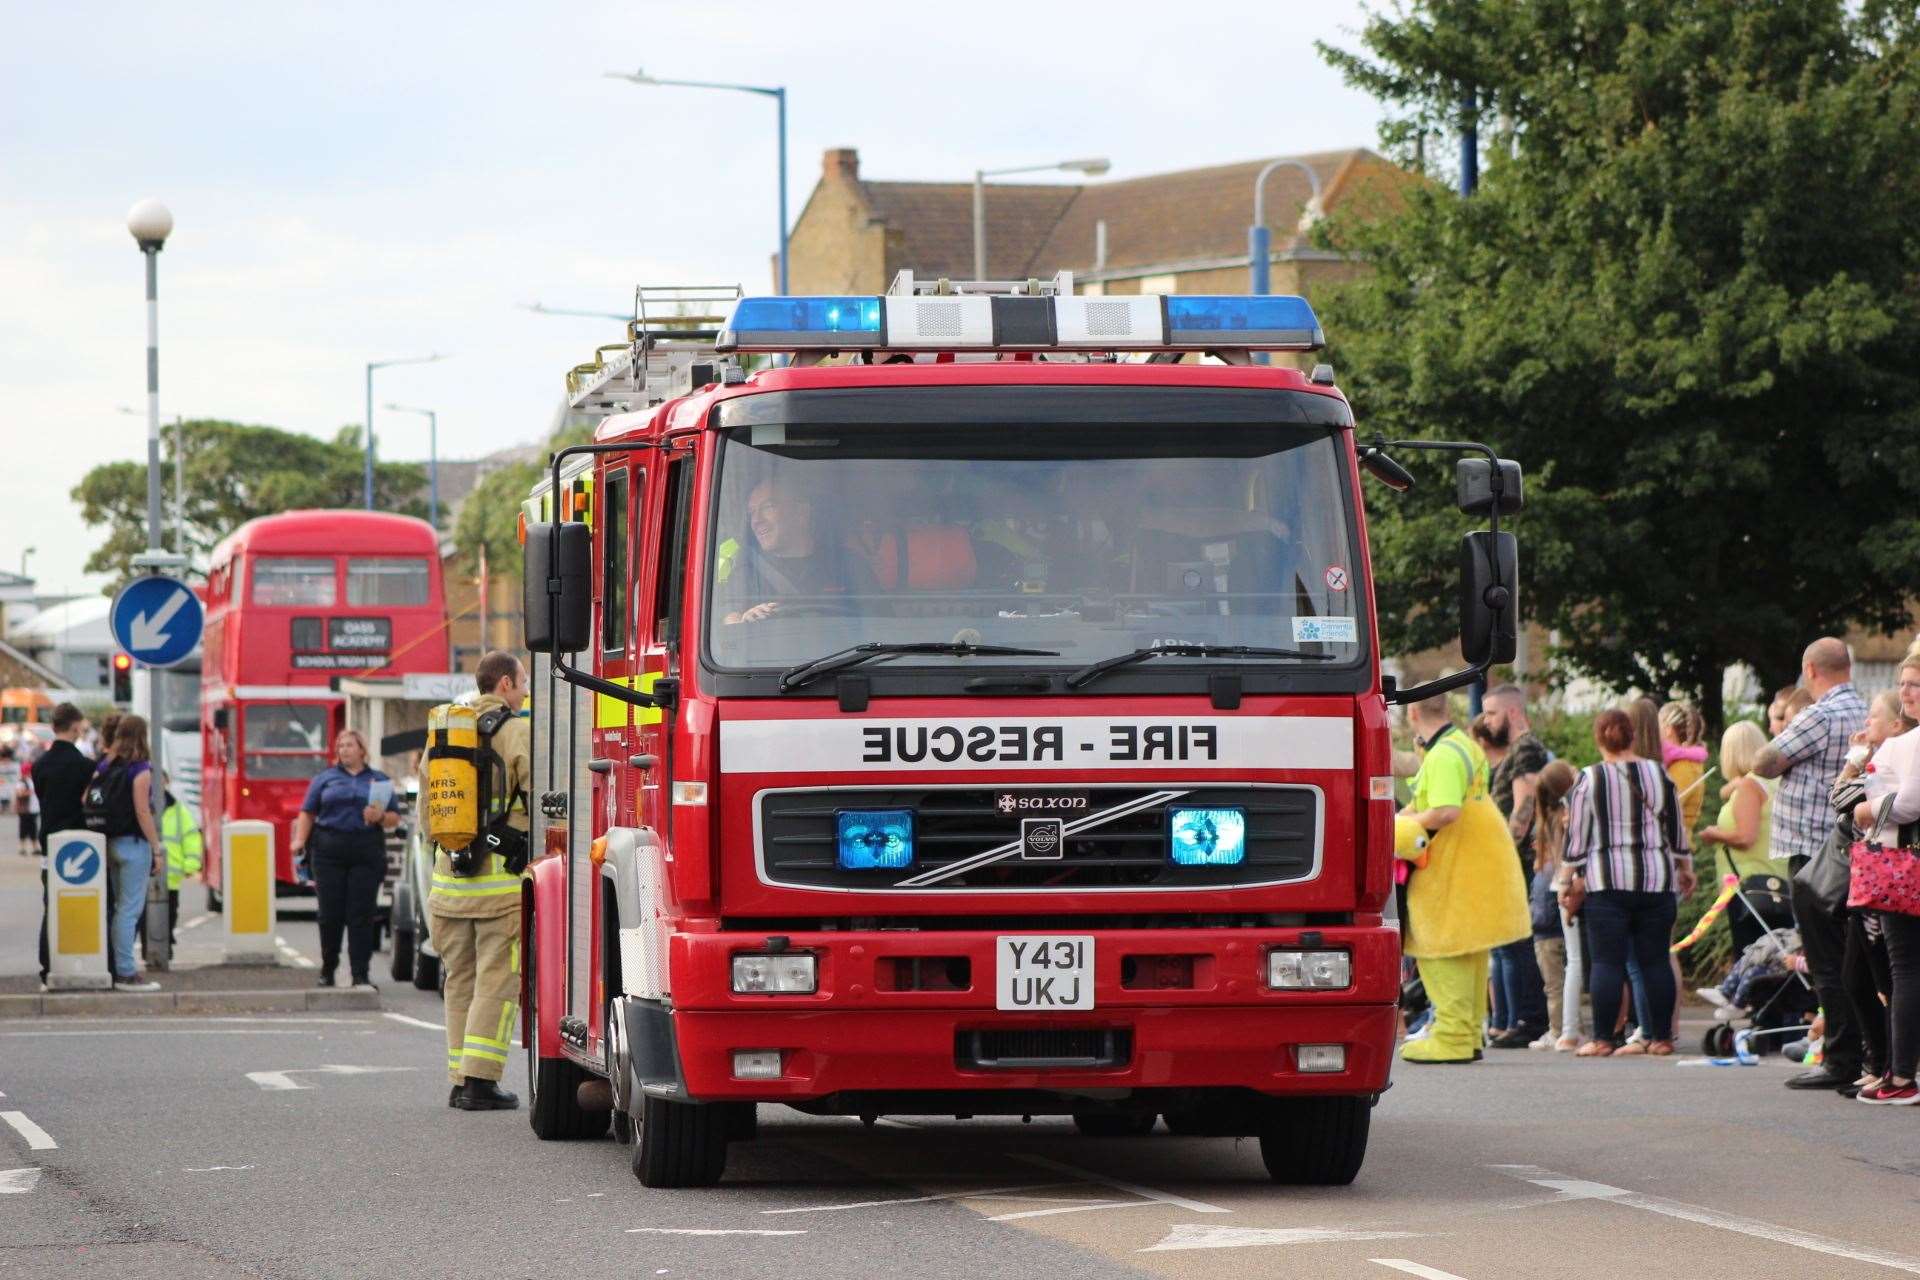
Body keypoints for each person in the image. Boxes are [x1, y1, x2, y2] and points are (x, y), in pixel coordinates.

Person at [1753, 637, 1869, 1091]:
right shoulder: (1864, 710)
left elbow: (1766, 761)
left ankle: (1840, 1057)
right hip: (1852, 846)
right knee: (1857, 956)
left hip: (1813, 852)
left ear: (1810, 670)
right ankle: (1866, 1054)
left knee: (1826, 959)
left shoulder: (1819, 714)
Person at [1397, 694, 1532, 1064]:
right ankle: (1469, 1033)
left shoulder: (1442, 756)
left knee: (1443, 950)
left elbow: (1444, 810)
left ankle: (1453, 1036)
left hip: (1454, 868)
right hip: (1479, 860)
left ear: (1412, 712)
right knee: (1471, 952)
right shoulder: (1462, 745)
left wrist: (1400, 825)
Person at [430, 650, 531, 1111]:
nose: (526, 689)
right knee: (496, 982)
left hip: (446, 884)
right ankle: (481, 1082)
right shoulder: (516, 731)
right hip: (499, 888)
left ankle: (458, 1078)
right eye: (523, 681)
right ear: (505, 684)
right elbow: (543, 801)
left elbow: (425, 817)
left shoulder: (443, 738)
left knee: (459, 981)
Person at [1561, 709, 1696, 1056]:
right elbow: (1676, 829)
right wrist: (1685, 867)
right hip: (1656, 878)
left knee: (1607, 962)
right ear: (1633, 737)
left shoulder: (1590, 779)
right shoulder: (1658, 774)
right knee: (1655, 960)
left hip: (1606, 880)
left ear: (1598, 739)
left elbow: (1577, 839)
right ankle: (1662, 1038)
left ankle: (1604, 1038)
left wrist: (1565, 880)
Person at [291, 729, 400, 989]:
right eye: (340, 746)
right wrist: (298, 840)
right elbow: (308, 812)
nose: (344, 750)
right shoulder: (325, 779)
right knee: (330, 914)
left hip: (366, 849)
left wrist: (380, 818)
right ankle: (328, 968)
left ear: (362, 750)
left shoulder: (378, 780)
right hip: (329, 850)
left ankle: (360, 973)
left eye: (349, 745)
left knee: (361, 915)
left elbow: (394, 818)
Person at [1477, 687, 1552, 1048]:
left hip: (1515, 862)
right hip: (1509, 860)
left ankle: (1528, 1018)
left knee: (1517, 942)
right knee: (1508, 943)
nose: (1487, 721)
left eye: (1491, 713)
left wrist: (1502, 853)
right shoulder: (1517, 752)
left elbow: (1525, 807)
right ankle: (1511, 1019)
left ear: (1511, 711)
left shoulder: (1525, 750)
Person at [719, 475, 878, 625]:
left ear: (801, 512)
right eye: (752, 512)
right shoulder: (747, 571)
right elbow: (727, 619)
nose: (756, 520)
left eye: (768, 507)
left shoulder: (848, 565)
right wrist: (744, 621)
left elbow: (880, 623)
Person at [1696, 720, 1783, 955]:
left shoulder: (1749, 787)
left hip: (1750, 883)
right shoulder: (1772, 782)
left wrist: (1715, 834)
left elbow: (1746, 836)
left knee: (1750, 956)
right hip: (1776, 878)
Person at [94, 715, 164, 993]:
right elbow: (142, 811)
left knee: (116, 909)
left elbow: (87, 797)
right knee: (129, 910)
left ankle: (115, 966)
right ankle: (126, 972)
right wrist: (156, 847)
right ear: (142, 736)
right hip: (134, 845)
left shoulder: (105, 765)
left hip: (109, 842)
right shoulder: (140, 769)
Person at [31, 703, 91, 991]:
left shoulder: (40, 764)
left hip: (49, 843)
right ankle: (81, 961)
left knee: (50, 907)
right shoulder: (83, 765)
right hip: (80, 844)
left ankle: (48, 968)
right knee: (82, 904)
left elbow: (43, 798)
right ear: (76, 727)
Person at [1528, 760, 1584, 1050]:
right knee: (1570, 966)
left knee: (1554, 977)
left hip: (1544, 904)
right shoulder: (1566, 818)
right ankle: (1566, 1028)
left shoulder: (1547, 819)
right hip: (1561, 896)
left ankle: (1560, 1028)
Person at [157, 771, 203, 949]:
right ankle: (152, 951)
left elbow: (190, 836)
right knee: (147, 918)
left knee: (169, 914)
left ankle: (165, 946)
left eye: (160, 780)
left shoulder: (178, 810)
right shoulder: (140, 805)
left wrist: (191, 864)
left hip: (171, 875)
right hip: (146, 874)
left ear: (167, 782)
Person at [1659, 701, 1710, 831]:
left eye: (1658, 723)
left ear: (1668, 729)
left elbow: (1664, 808)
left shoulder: (1684, 767)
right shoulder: (1683, 763)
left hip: (1674, 844)